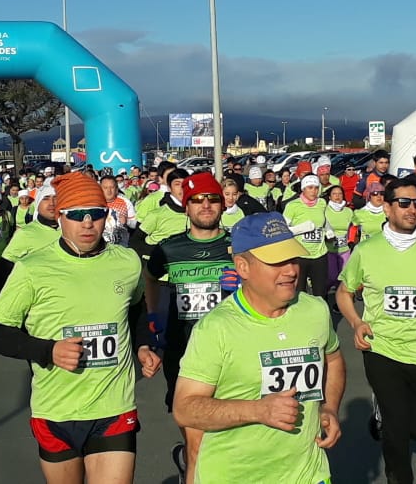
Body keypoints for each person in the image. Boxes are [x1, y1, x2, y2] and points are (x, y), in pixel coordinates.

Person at [0, 172, 160, 484]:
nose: (88, 223)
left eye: (96, 214)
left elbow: (136, 309)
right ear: (61, 218)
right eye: (77, 215)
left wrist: (143, 344)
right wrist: (49, 350)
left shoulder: (127, 261)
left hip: (114, 405)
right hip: (56, 409)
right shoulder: (32, 267)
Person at [173, 212, 345, 484]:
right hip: (234, 476)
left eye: (293, 258)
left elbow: (333, 360)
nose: (291, 270)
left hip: (309, 474)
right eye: (276, 261)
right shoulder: (216, 328)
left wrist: (330, 408)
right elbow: (184, 408)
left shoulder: (315, 310)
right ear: (243, 267)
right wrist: (257, 410)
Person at [336, 180, 416, 484]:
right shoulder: (367, 250)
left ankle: (381, 412)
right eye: (404, 203)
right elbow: (344, 292)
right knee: (396, 427)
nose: (412, 209)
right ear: (387, 207)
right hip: (381, 348)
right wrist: (356, 323)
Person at [144, 172, 235, 483]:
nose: (205, 205)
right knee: (198, 444)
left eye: (212, 199)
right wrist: (153, 316)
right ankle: (191, 464)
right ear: (186, 207)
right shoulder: (169, 248)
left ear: (223, 205)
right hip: (183, 352)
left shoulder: (238, 245)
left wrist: (244, 285)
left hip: (231, 351)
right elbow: (149, 277)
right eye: (197, 200)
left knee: (228, 439)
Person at [282, 175, 330, 300]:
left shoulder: (322, 203)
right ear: (303, 189)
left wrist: (329, 230)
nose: (314, 191)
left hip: (319, 254)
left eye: (316, 188)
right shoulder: (293, 205)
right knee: (299, 293)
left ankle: (322, 312)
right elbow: (282, 230)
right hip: (300, 255)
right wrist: (301, 228)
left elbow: (325, 220)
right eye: (310, 187)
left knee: (321, 294)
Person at [2, 185, 59, 262]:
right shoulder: (25, 233)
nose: (51, 203)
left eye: (56, 198)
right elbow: (8, 261)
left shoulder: (71, 229)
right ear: (38, 203)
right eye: (46, 199)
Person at [323, 184, 353, 303]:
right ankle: (322, 293)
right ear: (329, 197)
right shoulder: (325, 211)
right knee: (332, 277)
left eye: (340, 194)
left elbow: (353, 228)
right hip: (329, 249)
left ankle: (339, 302)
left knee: (343, 278)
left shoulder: (348, 211)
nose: (337, 196)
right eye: (334, 194)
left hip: (345, 249)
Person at [101, 175, 137, 247]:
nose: (109, 191)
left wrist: (127, 221)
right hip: (101, 246)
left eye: (112, 187)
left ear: (117, 189)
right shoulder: (95, 203)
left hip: (121, 246)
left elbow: (135, 224)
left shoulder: (125, 202)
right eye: (105, 188)